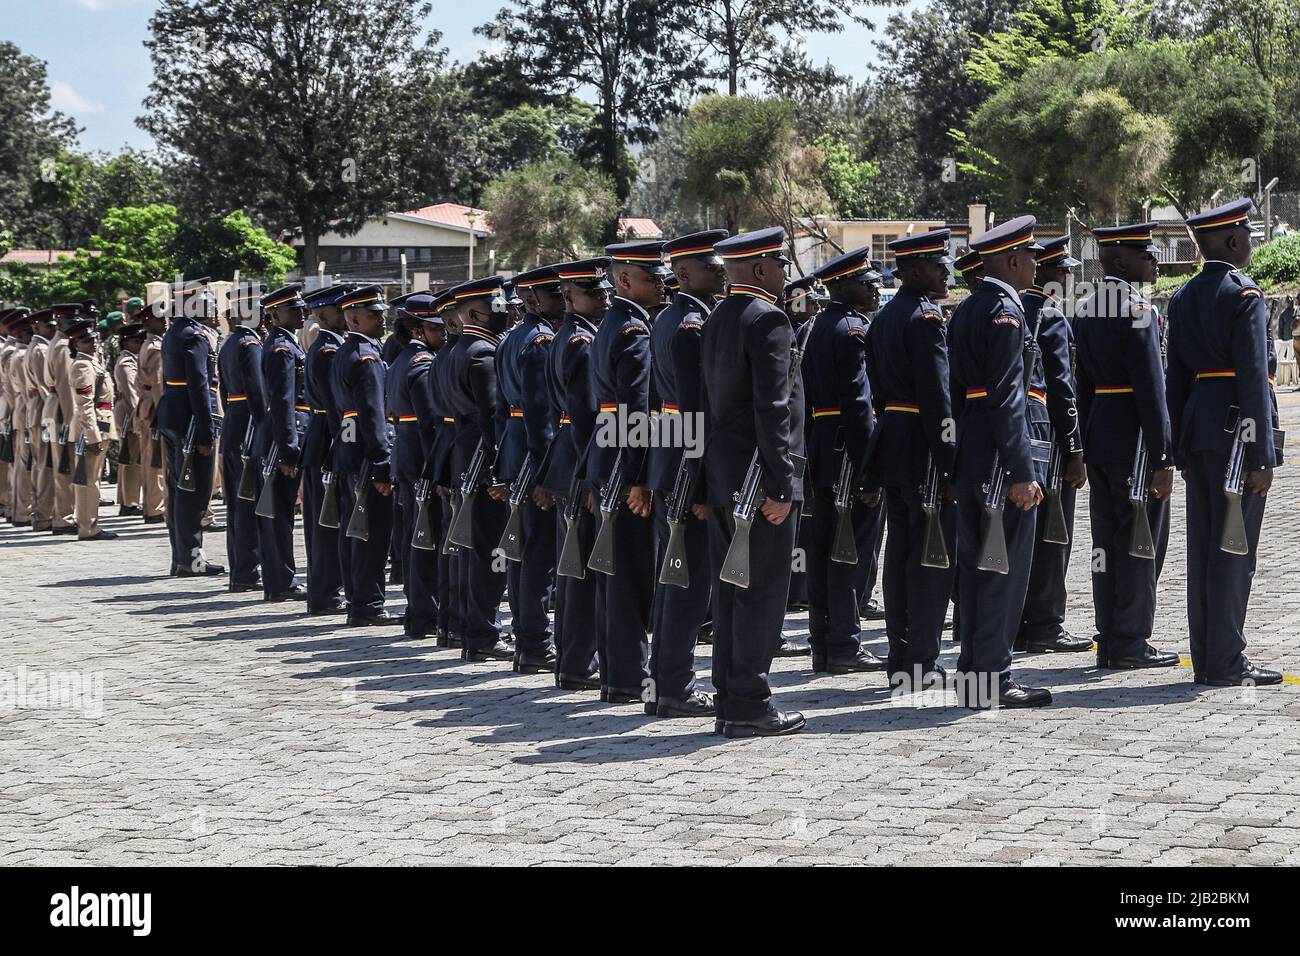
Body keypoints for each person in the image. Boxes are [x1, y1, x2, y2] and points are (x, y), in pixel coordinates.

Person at [1166, 198, 1284, 686]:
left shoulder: (1183, 296)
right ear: (1234, 241)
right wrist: (1262, 454)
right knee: (1235, 550)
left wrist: (1177, 449)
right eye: (1249, 238)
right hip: (1238, 432)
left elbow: (1175, 380)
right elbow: (1255, 378)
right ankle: (1228, 661)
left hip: (1199, 430)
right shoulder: (1244, 295)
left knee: (1204, 549)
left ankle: (1208, 658)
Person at [701, 226, 806, 738]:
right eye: (781, 265)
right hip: (759, 481)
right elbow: (773, 407)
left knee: (730, 591)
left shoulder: (718, 317)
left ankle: (729, 697)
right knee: (760, 595)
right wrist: (782, 484)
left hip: (725, 474)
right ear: (762, 269)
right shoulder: (767, 320)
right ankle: (749, 704)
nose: (786, 274)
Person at [947, 215, 1051, 709]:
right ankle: (994, 674)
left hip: (972, 451)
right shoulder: (1007, 311)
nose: (1037, 264)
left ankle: (975, 672)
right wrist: (1021, 470)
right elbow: (1008, 396)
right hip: (999, 458)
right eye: (1031, 255)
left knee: (976, 568)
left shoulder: (969, 307)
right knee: (1001, 568)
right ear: (1012, 261)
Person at [1074, 223, 1180, 670]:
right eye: (1145, 254)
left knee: (1106, 540)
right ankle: (1131, 640)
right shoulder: (1138, 309)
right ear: (1119, 262)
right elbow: (1152, 391)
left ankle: (1110, 633)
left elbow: (1079, 385)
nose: (1153, 262)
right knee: (1140, 540)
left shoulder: (1084, 308)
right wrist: (1162, 455)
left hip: (1099, 434)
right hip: (1134, 437)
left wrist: (1080, 441)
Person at [864, 229, 958, 687]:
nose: (946, 271)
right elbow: (938, 398)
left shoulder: (883, 317)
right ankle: (922, 662)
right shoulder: (926, 319)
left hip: (892, 439)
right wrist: (950, 459)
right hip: (922, 444)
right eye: (939, 264)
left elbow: (879, 390)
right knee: (929, 558)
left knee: (899, 555)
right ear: (916, 270)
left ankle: (900, 659)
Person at [645, 230, 729, 717]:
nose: (720, 273)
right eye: (711, 267)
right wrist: (697, 483)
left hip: (670, 455)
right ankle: (674, 686)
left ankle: (666, 681)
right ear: (683, 274)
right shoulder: (691, 325)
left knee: (675, 575)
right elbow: (695, 410)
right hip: (685, 462)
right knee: (688, 580)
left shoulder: (670, 318)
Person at [585, 240, 671, 704]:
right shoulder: (634, 329)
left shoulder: (611, 324)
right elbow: (635, 410)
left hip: (607, 455)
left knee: (614, 573)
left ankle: (616, 672)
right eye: (650, 276)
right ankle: (627, 674)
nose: (660, 283)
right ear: (623, 280)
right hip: (624, 460)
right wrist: (638, 476)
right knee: (631, 575)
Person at [803, 247, 889, 675]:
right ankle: (844, 643)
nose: (875, 289)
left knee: (825, 550)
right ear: (845, 286)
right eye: (867, 282)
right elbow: (858, 404)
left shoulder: (817, 324)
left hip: (823, 446)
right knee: (849, 551)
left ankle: (824, 640)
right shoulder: (853, 330)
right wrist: (869, 468)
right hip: (846, 449)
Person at [1015, 237, 1092, 653]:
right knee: (1053, 536)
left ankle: (1019, 618)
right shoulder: (1050, 316)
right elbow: (1063, 390)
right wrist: (1076, 449)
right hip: (1051, 440)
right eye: (1062, 270)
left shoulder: (1012, 310)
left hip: (1017, 438)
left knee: (1024, 534)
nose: (1068, 277)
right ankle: (1046, 623)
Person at [540, 258, 612, 690]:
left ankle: (570, 657)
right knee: (583, 570)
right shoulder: (582, 341)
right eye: (594, 293)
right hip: (581, 460)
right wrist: (593, 475)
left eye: (605, 291)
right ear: (569, 297)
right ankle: (579, 661)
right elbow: (588, 417)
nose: (603, 298)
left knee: (572, 567)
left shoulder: (567, 336)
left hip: (566, 457)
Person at [494, 265, 562, 673]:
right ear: (533, 299)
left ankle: (526, 639)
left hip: (515, 448)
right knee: (536, 555)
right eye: (555, 294)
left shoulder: (511, 338)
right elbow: (541, 415)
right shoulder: (539, 340)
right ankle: (535, 642)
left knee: (521, 552)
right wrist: (544, 473)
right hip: (532, 452)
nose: (563, 299)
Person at [443, 275, 514, 660]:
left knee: (473, 550)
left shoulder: (458, 350)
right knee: (489, 553)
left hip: (464, 457)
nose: (502, 313)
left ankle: (471, 629)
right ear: (473, 313)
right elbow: (491, 420)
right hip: (483, 465)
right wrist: (500, 469)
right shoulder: (482, 354)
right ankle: (484, 633)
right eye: (495, 307)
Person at [332, 284, 398, 626]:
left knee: (353, 528)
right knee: (371, 531)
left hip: (348, 447)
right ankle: (368, 603)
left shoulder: (345, 352)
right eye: (374, 314)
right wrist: (382, 461)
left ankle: (357, 597)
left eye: (382, 313)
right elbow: (373, 414)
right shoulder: (367, 356)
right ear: (354, 319)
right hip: (367, 452)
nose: (381, 318)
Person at [156, 278, 224, 576]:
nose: (212, 306)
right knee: (194, 494)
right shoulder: (196, 336)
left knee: (178, 491)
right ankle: (191, 559)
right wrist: (206, 431)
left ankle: (180, 557)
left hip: (172, 416)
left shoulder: (174, 331)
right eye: (206, 300)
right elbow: (200, 386)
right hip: (191, 420)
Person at [302, 283, 358, 616]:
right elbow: (335, 406)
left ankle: (325, 590)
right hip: (327, 437)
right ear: (324, 315)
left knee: (326, 521)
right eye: (340, 310)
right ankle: (324, 593)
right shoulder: (327, 350)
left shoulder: (328, 346)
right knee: (326, 523)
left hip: (323, 435)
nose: (346, 314)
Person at [399, 290, 450, 639]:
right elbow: (429, 424)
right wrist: (437, 468)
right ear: (418, 330)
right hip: (421, 461)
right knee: (425, 541)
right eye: (435, 329)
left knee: (417, 539)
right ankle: (423, 613)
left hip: (409, 458)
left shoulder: (405, 359)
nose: (443, 334)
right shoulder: (422, 365)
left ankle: (420, 612)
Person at [253, 285, 309, 601]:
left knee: (281, 512)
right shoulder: (281, 349)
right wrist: (288, 448)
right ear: (274, 315)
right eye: (292, 308)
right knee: (277, 514)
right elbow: (282, 400)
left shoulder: (286, 344)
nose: (301, 311)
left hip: (283, 434)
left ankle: (280, 579)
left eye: (300, 307)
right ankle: (279, 582)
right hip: (280, 439)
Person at [216, 289, 266, 593]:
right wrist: (264, 425)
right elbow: (257, 390)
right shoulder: (250, 343)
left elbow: (223, 389)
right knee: (249, 503)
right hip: (249, 420)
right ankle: (248, 570)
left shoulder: (228, 342)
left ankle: (240, 568)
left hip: (235, 419)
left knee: (236, 503)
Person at [66, 319, 117, 541]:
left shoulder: (91, 362)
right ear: (76, 344)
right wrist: (92, 435)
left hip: (101, 421)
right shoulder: (82, 365)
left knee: (92, 478)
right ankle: (88, 526)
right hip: (93, 425)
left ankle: (90, 523)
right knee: (88, 480)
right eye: (86, 340)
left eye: (94, 338)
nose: (93, 343)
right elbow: (84, 404)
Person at [135, 301, 168, 525]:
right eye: (159, 318)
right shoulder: (156, 347)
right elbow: (158, 384)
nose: (165, 321)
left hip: (147, 406)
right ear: (148, 323)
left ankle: (151, 506)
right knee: (157, 461)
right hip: (154, 407)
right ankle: (155, 508)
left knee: (151, 459)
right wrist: (164, 412)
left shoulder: (151, 344)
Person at [112, 323, 147, 517]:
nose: (140, 343)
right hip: (128, 413)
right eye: (136, 340)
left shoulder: (132, 360)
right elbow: (132, 393)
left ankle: (128, 500)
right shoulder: (127, 363)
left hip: (128, 411)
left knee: (131, 459)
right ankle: (129, 502)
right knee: (131, 459)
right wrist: (139, 417)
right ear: (126, 342)